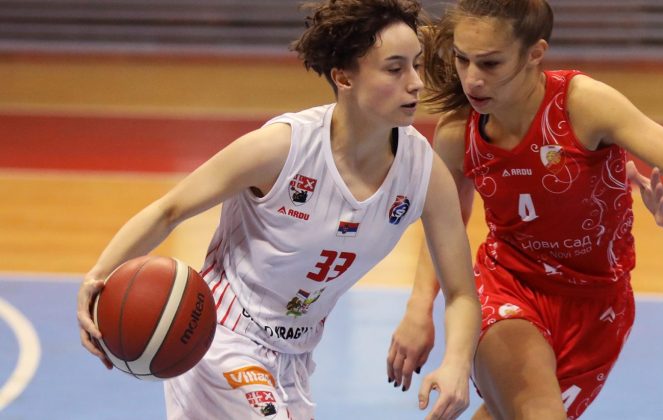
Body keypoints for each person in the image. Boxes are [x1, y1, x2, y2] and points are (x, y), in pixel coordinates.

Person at [76, 1, 481, 419]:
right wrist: (98, 275)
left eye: (416, 65)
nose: (415, 83)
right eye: (395, 69)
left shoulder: (423, 173)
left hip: (295, 358)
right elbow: (169, 210)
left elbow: (461, 293)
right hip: (220, 335)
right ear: (344, 77)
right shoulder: (282, 149)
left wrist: (455, 363)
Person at [387, 0, 663, 419]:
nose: (472, 79)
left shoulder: (583, 104)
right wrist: (419, 310)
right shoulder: (459, 133)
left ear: (534, 53)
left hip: (599, 307)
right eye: (462, 59)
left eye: (490, 63)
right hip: (509, 287)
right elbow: (443, 226)